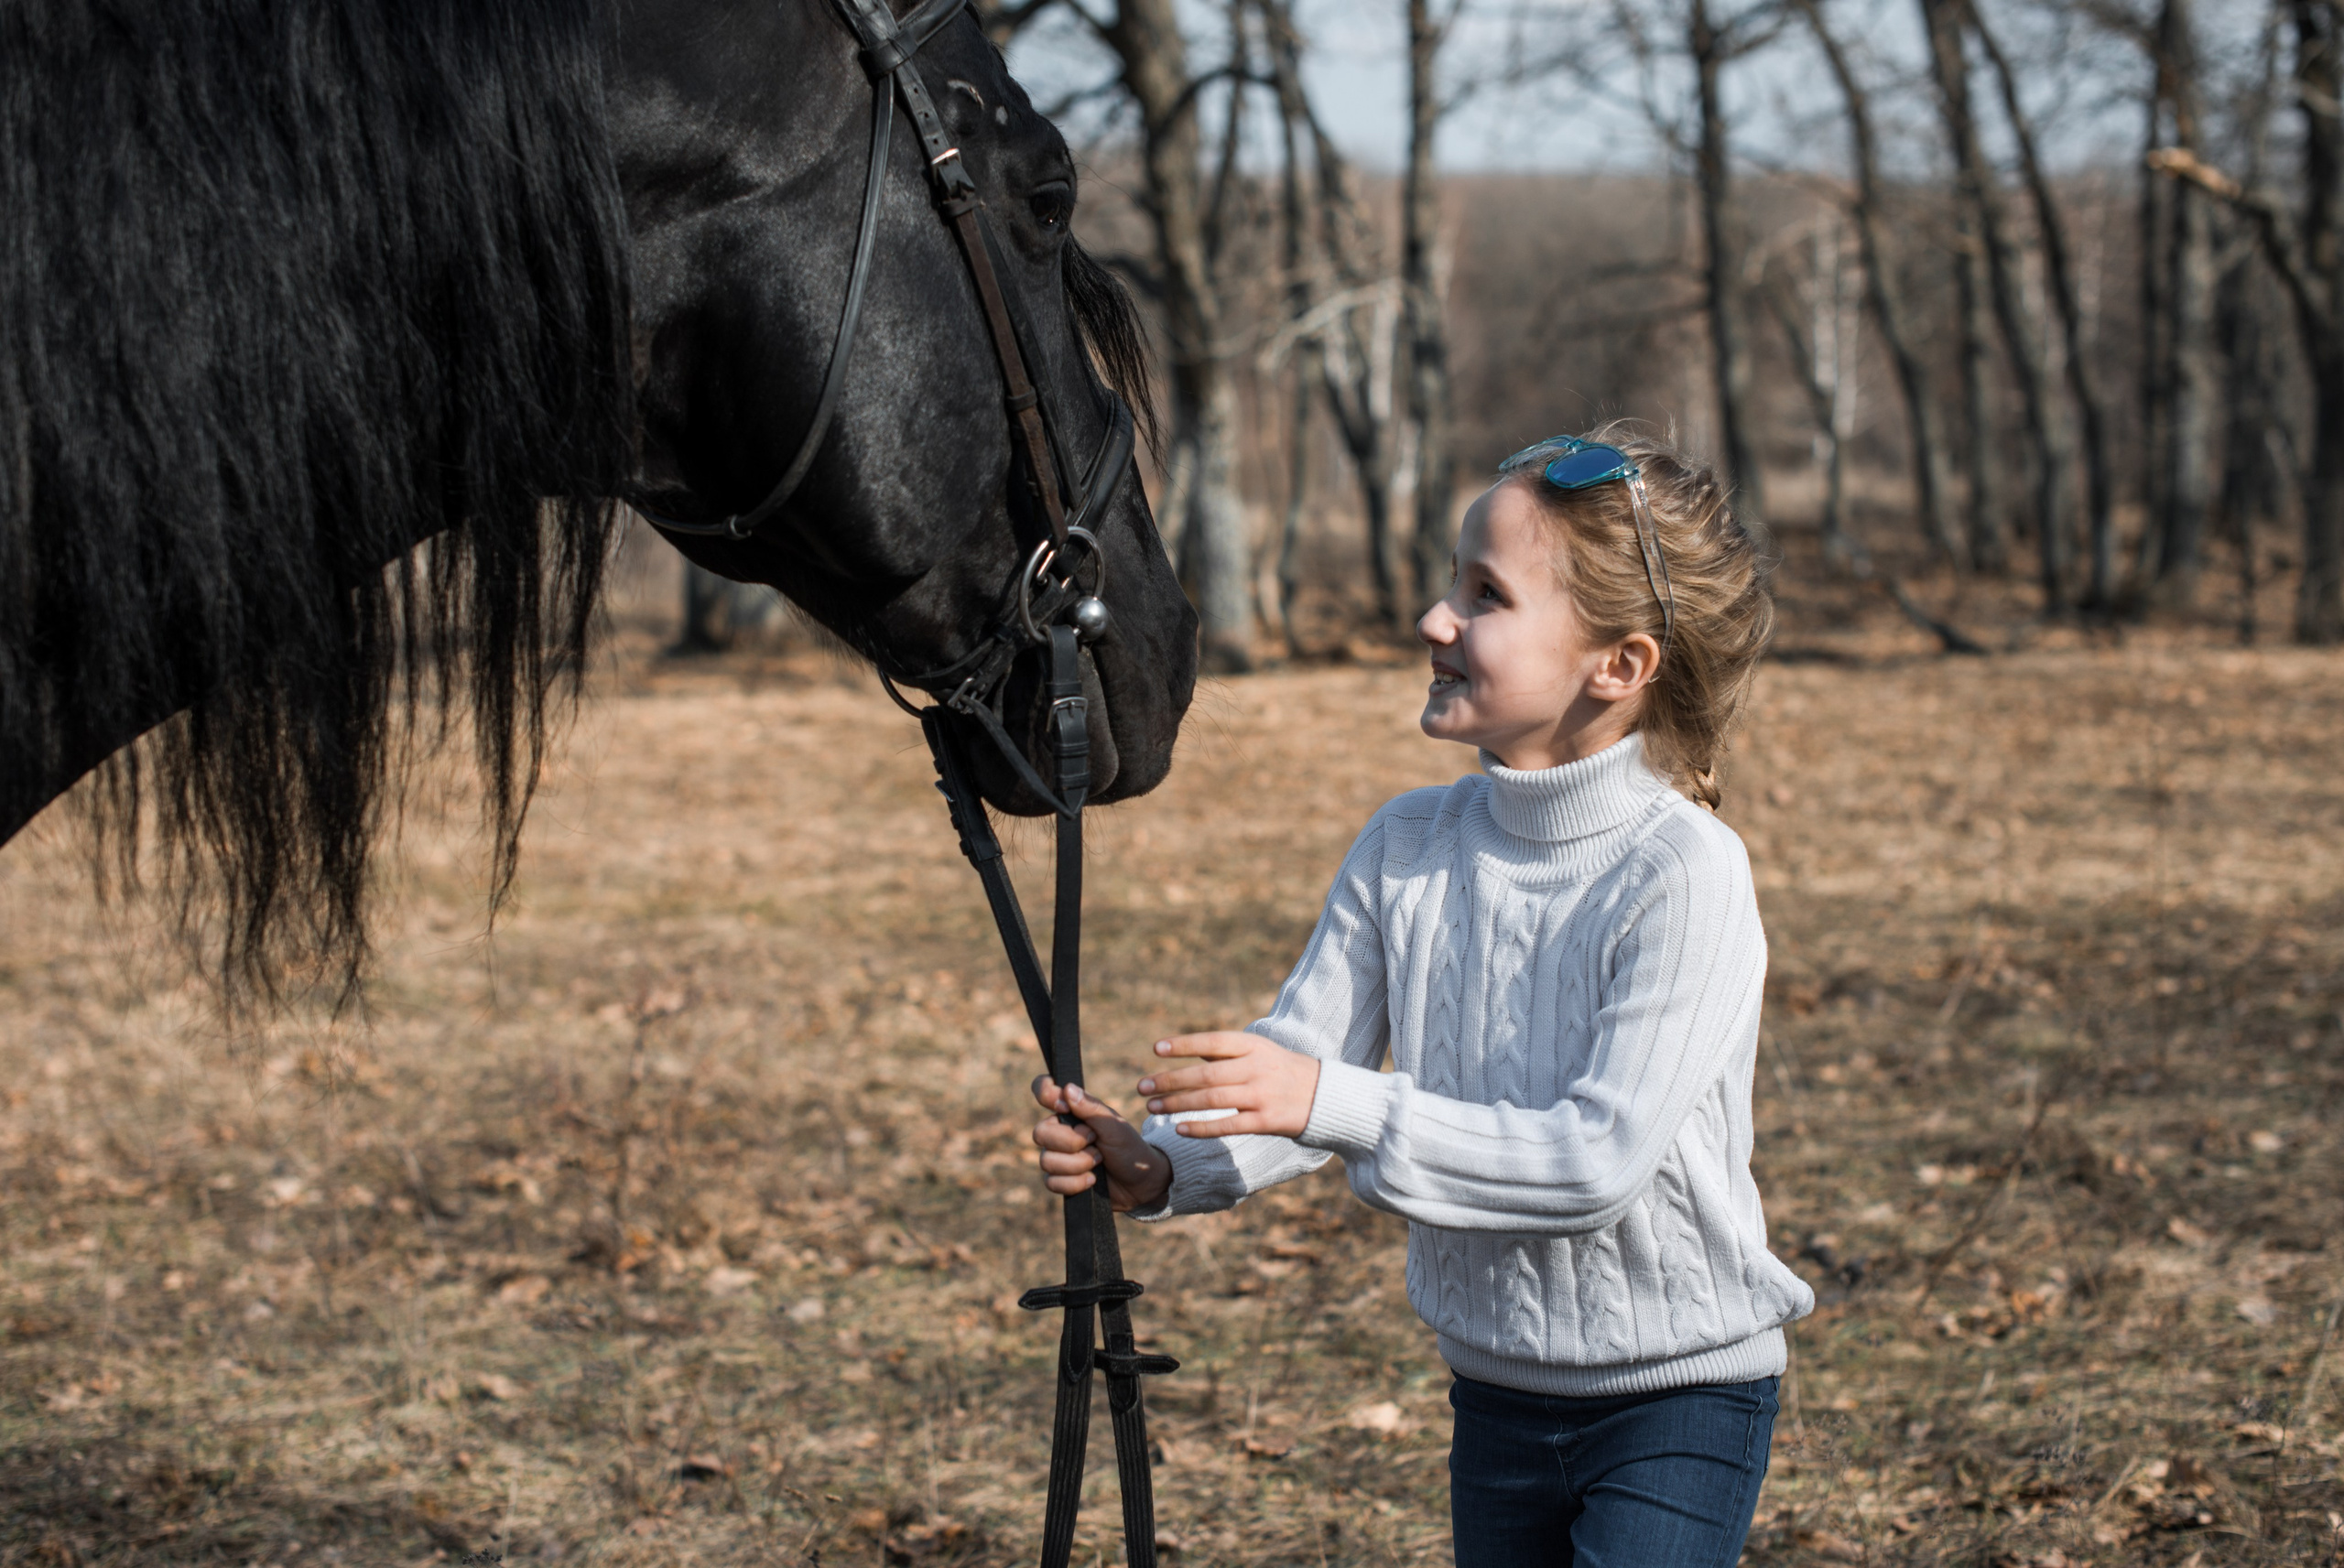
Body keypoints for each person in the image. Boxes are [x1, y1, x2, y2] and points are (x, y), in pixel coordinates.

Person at [1030, 424, 1812, 1566]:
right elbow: (1299, 1068)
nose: (1433, 620)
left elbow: (1592, 1163)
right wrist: (1160, 1165)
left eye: (1484, 595)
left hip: (1678, 1403)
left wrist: (1330, 1102)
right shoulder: (1409, 843)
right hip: (1493, 1394)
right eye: (1451, 581)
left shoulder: (1681, 872)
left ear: (1619, 666)